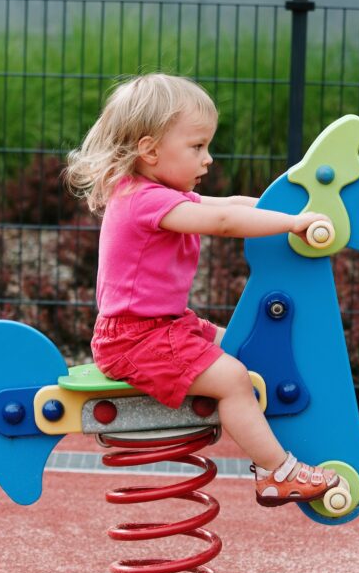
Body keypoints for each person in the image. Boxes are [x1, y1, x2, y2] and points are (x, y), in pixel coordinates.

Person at [64, 73, 344, 506]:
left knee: (240, 347)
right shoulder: (145, 201)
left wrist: (289, 209)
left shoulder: (152, 192)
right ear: (150, 150)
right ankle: (276, 473)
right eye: (197, 147)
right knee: (233, 378)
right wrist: (292, 225)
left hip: (165, 327)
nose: (208, 158)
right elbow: (224, 223)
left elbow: (231, 204)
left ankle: (273, 449)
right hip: (136, 338)